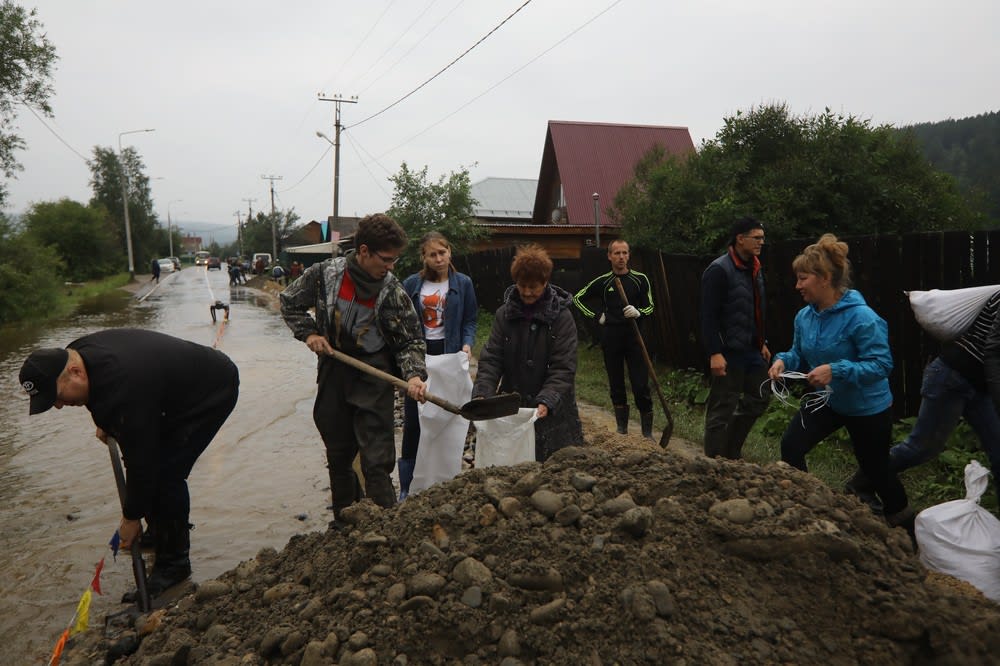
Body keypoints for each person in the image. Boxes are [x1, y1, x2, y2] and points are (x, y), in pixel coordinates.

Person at [18, 329, 239, 599]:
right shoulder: (78, 354)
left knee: (166, 473)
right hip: (164, 389)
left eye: (58, 396)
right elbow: (104, 396)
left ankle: (174, 565)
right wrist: (109, 420)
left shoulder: (123, 384)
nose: (59, 406)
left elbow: (141, 459)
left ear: (75, 372)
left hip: (211, 389)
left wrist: (131, 517)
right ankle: (160, 532)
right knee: (149, 466)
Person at [280, 213, 427, 520]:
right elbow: (289, 301)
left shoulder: (392, 291)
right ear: (363, 251)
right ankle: (345, 523)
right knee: (338, 454)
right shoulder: (325, 275)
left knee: (376, 459)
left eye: (395, 259)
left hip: (374, 376)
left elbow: (410, 340)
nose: (391, 266)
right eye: (386, 259)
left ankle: (385, 524)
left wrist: (413, 375)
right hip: (334, 367)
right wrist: (310, 334)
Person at [768, 234, 913, 527]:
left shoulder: (862, 317)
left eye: (803, 278)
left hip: (867, 407)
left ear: (824, 278)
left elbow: (882, 364)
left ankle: (904, 523)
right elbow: (798, 352)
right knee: (792, 445)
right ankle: (808, 506)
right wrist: (783, 360)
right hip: (829, 400)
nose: (797, 286)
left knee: (876, 469)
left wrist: (836, 370)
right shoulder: (804, 317)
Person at [848, 289, 1000, 509]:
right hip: (952, 378)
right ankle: (861, 484)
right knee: (921, 448)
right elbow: (994, 351)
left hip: (979, 385)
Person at [473, 244, 583, 461]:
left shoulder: (561, 318)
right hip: (514, 406)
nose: (526, 292)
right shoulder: (504, 315)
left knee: (552, 468)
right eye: (522, 285)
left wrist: (548, 399)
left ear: (545, 282)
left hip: (553, 414)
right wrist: (483, 394)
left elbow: (563, 366)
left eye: (533, 287)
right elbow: (492, 358)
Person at [398, 231, 478, 499]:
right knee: (414, 420)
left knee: (447, 416)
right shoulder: (411, 284)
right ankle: (408, 485)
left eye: (442, 252)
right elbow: (402, 321)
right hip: (418, 356)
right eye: (432, 254)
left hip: (449, 356)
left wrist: (467, 344)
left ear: (449, 252)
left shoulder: (463, 283)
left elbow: (470, 319)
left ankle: (444, 480)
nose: (439, 258)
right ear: (424, 257)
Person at [700, 217, 771, 459]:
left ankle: (730, 451)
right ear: (740, 239)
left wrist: (761, 342)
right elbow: (708, 316)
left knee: (760, 396)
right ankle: (713, 461)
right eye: (756, 238)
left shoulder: (755, 267)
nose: (761, 242)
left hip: (751, 350)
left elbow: (755, 308)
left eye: (762, 238)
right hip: (727, 351)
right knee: (723, 406)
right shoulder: (719, 270)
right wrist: (714, 352)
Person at [573, 239, 655, 438]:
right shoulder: (603, 282)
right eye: (617, 253)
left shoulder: (640, 279)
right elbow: (577, 299)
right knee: (616, 383)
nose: (621, 257)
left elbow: (650, 306)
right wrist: (597, 316)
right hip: (612, 338)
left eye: (624, 253)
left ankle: (647, 433)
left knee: (640, 384)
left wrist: (639, 312)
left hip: (635, 338)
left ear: (629, 255)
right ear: (609, 256)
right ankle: (622, 430)